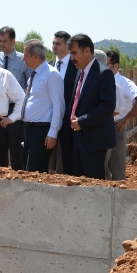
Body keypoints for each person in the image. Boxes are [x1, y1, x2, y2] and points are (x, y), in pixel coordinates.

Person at [67, 34, 116, 179]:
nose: (72, 58)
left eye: (74, 53)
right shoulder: (79, 73)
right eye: (70, 54)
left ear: (87, 50)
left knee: (93, 186)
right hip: (77, 138)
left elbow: (107, 106)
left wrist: (82, 122)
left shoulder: (104, 73)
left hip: (94, 141)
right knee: (78, 184)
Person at [21, 39, 65, 173]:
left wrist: (53, 133)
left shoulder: (51, 74)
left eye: (25, 55)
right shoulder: (34, 75)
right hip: (29, 130)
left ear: (35, 56)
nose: (23, 58)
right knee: (27, 170)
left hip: (42, 131)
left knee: (35, 172)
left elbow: (59, 106)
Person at [104, 50, 137, 181]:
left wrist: (125, 119)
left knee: (117, 168)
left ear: (115, 66)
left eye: (107, 64)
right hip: (101, 127)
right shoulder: (102, 80)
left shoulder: (124, 82)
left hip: (116, 127)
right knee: (102, 167)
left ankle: (119, 197)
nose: (103, 66)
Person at [0, 26, 28, 170]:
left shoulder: (23, 59)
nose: (2, 44)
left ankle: (18, 179)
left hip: (16, 108)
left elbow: (29, 84)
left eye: (5, 41)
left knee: (16, 147)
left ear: (13, 41)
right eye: (0, 41)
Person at [51, 30, 77, 174]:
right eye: (53, 43)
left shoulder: (76, 67)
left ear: (67, 46)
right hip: (49, 118)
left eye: (58, 43)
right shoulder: (48, 66)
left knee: (66, 156)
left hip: (68, 120)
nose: (54, 46)